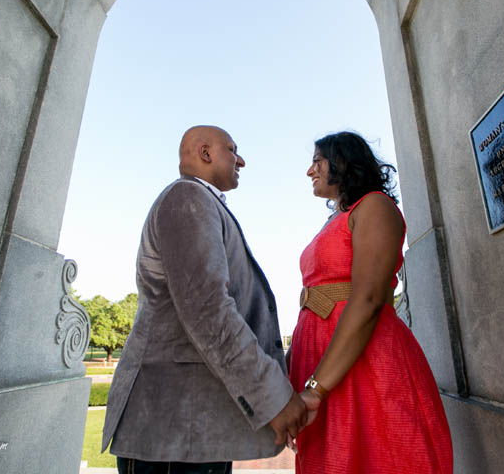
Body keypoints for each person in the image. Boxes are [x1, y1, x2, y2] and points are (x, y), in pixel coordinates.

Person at [102, 125, 309, 474]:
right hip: (172, 437)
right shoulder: (188, 198)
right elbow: (208, 312)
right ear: (205, 153)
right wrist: (273, 397)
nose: (241, 159)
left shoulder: (201, 202)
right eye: (232, 149)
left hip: (190, 438)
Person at [288, 131, 453, 473]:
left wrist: (317, 389)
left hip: (365, 365)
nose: (309, 171)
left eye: (317, 161)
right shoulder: (333, 221)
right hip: (324, 367)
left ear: (342, 162)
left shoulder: (375, 206)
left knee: (378, 457)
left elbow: (369, 297)